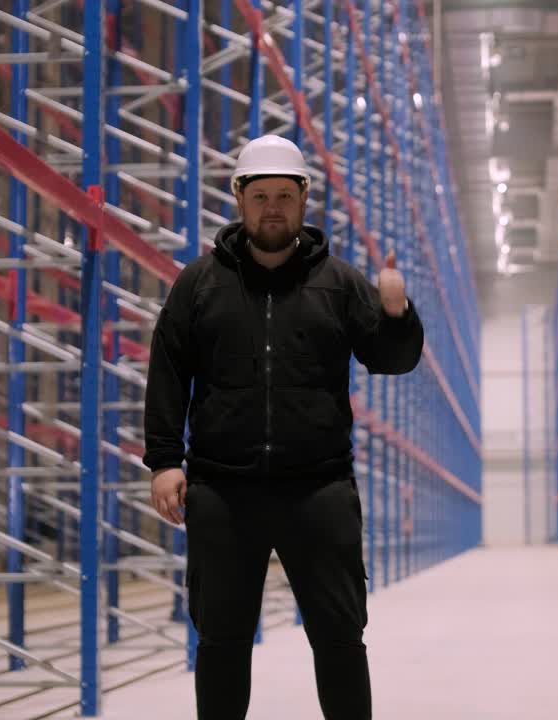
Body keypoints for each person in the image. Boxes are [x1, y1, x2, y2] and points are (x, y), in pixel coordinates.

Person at [142, 134, 424, 720]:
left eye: (285, 195)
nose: (273, 207)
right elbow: (168, 369)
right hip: (223, 489)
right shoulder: (199, 284)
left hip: (318, 488)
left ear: (304, 201)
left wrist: (396, 315)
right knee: (220, 638)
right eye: (261, 194)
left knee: (340, 635)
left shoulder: (338, 283)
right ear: (240, 199)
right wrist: (166, 460)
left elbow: (391, 359)